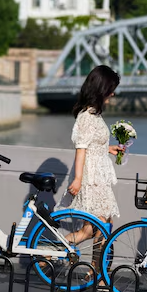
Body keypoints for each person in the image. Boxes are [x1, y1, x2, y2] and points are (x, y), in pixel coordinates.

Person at [55, 65, 124, 280]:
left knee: (90, 230)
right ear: (102, 88)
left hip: (99, 176)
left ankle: (52, 253)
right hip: (92, 179)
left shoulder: (94, 114)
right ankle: (98, 274)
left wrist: (109, 149)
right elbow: (81, 149)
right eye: (111, 88)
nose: (113, 93)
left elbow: (92, 145)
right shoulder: (86, 116)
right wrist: (77, 179)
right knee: (104, 226)